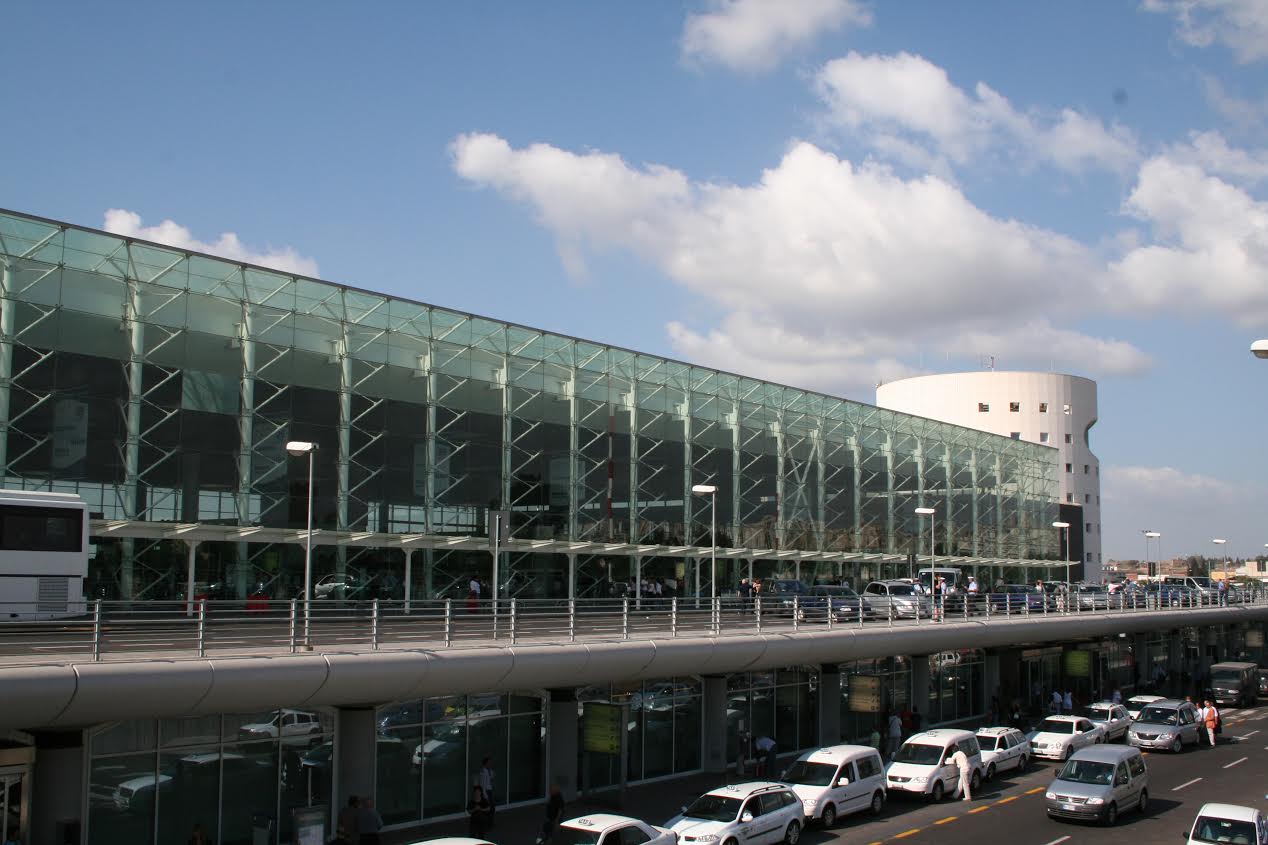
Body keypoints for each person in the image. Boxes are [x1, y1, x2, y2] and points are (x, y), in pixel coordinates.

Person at [479, 755, 497, 825]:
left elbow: (492, 776)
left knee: (491, 807)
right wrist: (484, 795)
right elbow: (482, 784)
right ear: (485, 763)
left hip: (489, 790)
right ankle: (487, 822)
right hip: (486, 791)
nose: (490, 764)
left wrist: (490, 770)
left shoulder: (488, 770)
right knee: (489, 807)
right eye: (489, 762)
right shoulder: (483, 772)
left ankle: (489, 822)